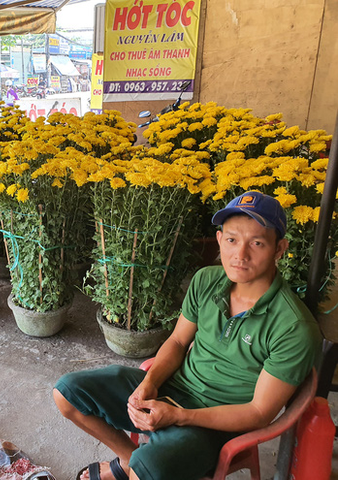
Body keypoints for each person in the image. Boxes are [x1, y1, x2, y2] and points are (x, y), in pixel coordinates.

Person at [53, 191, 322, 480]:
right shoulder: (206, 280)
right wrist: (149, 383)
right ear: (219, 239)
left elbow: (258, 413)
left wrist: (180, 416)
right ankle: (129, 458)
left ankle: (139, 466)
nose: (240, 255)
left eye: (256, 243)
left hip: (217, 425)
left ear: (279, 249)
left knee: (149, 470)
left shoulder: (294, 327)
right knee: (67, 393)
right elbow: (179, 341)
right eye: (231, 240)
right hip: (174, 388)